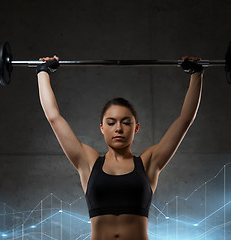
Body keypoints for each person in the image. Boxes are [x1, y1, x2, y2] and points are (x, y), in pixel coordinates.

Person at [36, 56, 203, 240]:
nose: (118, 128)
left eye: (126, 122)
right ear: (102, 127)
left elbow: (185, 120)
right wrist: (43, 72)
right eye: (111, 122)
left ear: (136, 128)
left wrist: (196, 74)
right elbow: (54, 118)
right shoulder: (88, 162)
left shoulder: (148, 162)